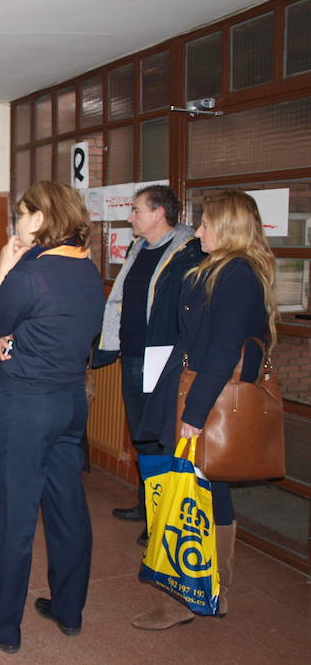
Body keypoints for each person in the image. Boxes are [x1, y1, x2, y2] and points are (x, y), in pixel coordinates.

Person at [0, 181, 104, 654]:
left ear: (40, 219)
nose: (15, 225)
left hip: (28, 406)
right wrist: (15, 336)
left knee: (16, 516)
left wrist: (2, 269)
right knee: (67, 507)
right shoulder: (87, 269)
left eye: (21, 216)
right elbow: (51, 325)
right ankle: (68, 609)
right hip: (70, 401)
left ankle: (4, 625)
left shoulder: (29, 271)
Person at [130, 190, 277, 630]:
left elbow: (220, 352)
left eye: (207, 224)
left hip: (202, 398)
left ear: (229, 229)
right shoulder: (220, 269)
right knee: (208, 491)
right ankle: (213, 590)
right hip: (189, 389)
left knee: (188, 495)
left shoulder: (236, 275)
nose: (197, 231)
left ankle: (184, 596)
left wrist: (192, 415)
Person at [95, 185, 204, 545]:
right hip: (132, 354)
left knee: (160, 438)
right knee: (141, 436)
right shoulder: (138, 248)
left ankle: (162, 517)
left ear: (159, 214)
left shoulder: (188, 254)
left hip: (161, 359)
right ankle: (146, 503)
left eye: (137, 211)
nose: (131, 218)